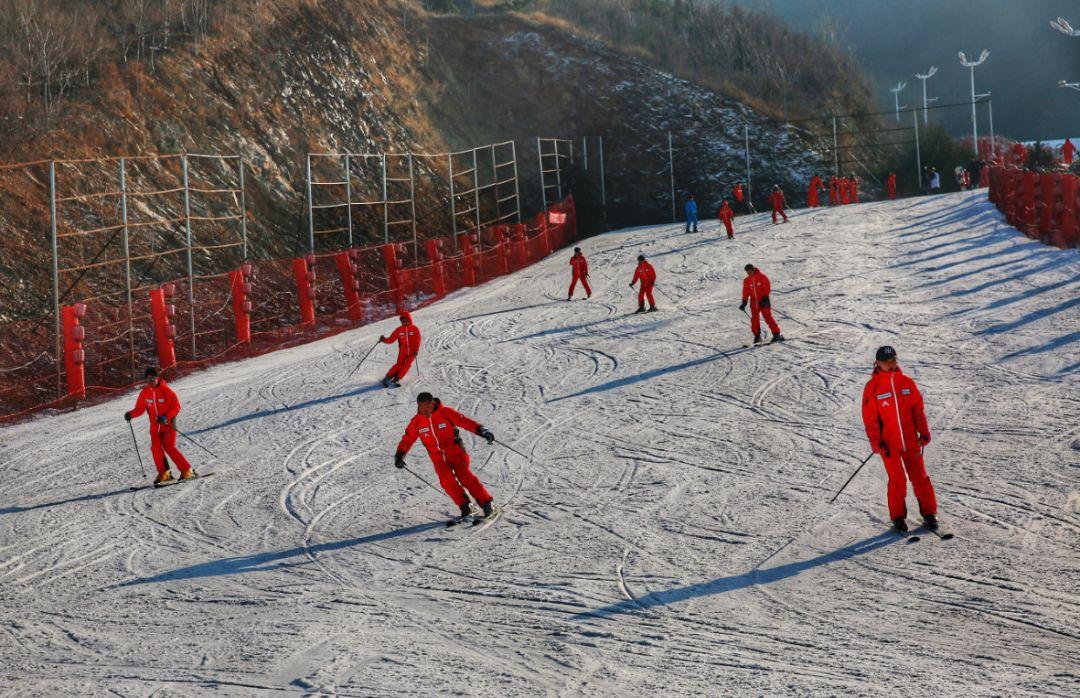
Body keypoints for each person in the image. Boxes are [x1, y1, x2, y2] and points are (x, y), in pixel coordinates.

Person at [860, 346, 939, 532]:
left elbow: (917, 410)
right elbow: (870, 419)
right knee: (897, 481)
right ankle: (898, 518)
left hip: (911, 441)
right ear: (878, 363)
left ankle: (929, 514)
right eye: (887, 362)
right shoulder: (873, 388)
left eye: (894, 361)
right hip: (889, 444)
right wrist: (876, 442)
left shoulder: (906, 383)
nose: (891, 364)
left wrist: (924, 432)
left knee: (920, 478)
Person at [395, 392, 496, 523]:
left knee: (465, 476)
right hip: (438, 458)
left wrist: (481, 430)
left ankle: (487, 503)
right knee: (447, 481)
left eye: (427, 406)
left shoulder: (445, 412)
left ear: (432, 403)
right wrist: (400, 455)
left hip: (456, 452)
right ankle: (466, 507)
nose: (425, 410)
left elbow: (464, 421)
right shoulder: (417, 421)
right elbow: (408, 438)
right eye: (421, 407)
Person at [125, 367, 196, 486]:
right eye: (148, 379)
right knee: (155, 448)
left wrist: (166, 416)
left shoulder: (166, 390)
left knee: (169, 447)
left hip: (167, 424)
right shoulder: (145, 393)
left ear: (158, 378)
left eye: (153, 378)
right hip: (155, 427)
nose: (151, 381)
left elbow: (176, 407)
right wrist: (130, 414)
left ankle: (187, 470)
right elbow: (140, 409)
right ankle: (165, 473)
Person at [739, 264, 783, 344]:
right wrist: (744, 302)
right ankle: (757, 336)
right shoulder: (747, 280)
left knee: (768, 317)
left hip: (763, 301)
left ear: (753, 270)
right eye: (747, 272)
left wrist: (765, 299)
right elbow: (745, 292)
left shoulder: (762, 277)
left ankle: (777, 334)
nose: (749, 273)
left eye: (750, 271)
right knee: (754, 320)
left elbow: (766, 288)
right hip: (754, 303)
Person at [380, 312, 421, 388]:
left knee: (407, 365)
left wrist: (416, 350)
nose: (404, 322)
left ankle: (396, 379)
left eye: (406, 320)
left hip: (412, 351)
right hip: (403, 350)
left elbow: (418, 340)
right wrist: (384, 339)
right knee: (399, 365)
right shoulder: (399, 330)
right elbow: (391, 339)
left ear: (409, 320)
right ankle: (387, 378)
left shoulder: (414, 329)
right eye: (402, 320)